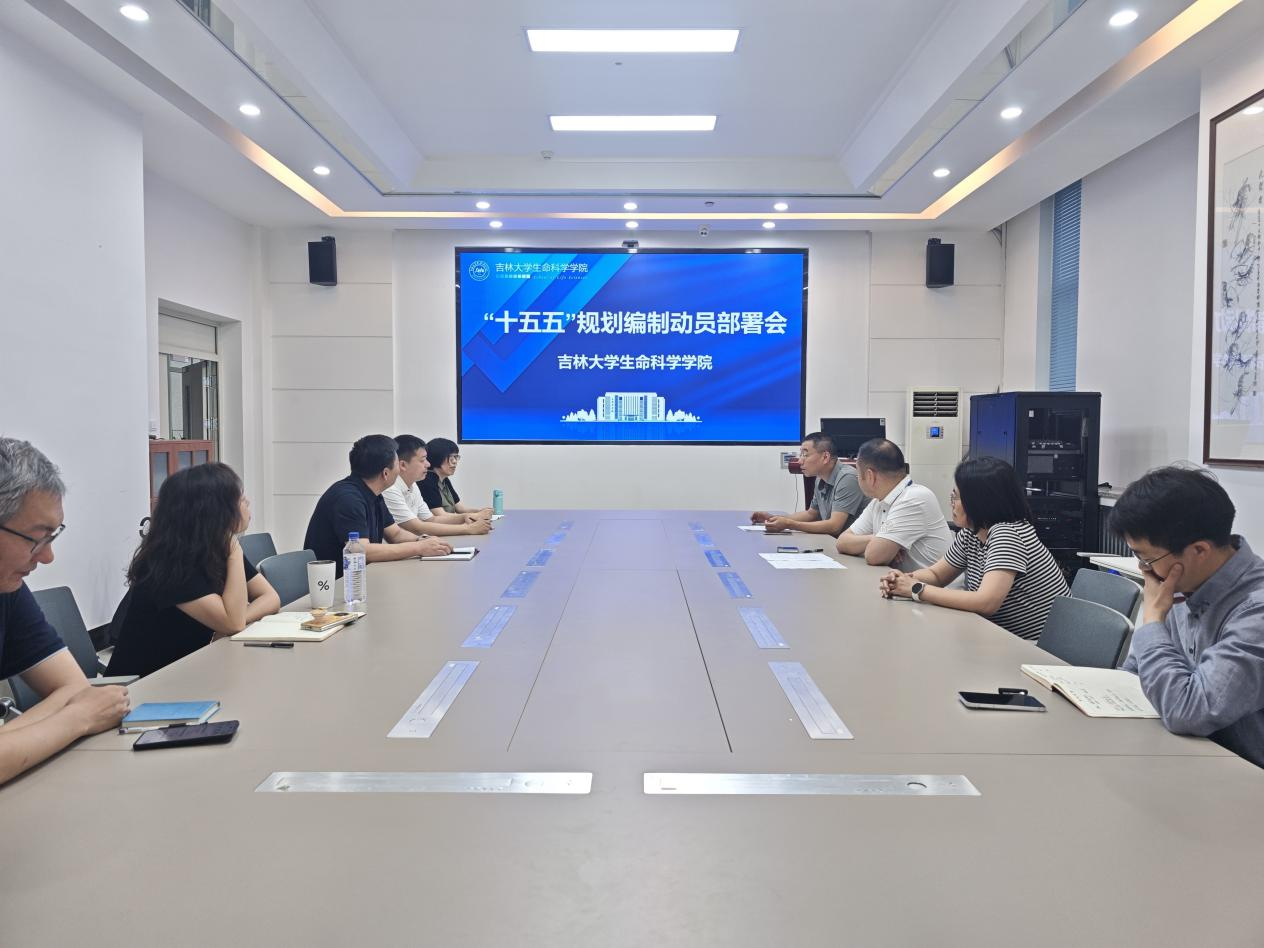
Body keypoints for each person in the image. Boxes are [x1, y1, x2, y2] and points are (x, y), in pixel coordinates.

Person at [1111, 465, 1264, 768]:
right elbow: (1134, 676)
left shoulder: (1255, 611)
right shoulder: (1184, 583)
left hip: (1243, 777)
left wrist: (1152, 620)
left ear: (1199, 550)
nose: (1143, 569)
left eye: (1147, 558)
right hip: (1183, 757)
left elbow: (1188, 712)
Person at [0, 438, 129, 784]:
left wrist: (8, 744)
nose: (47, 557)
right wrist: (76, 720)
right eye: (37, 538)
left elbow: (74, 688)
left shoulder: (7, 590)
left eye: (52, 537)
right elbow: (81, 707)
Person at [107, 462, 281, 678]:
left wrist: (233, 621)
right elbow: (233, 622)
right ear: (215, 511)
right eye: (239, 498)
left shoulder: (215, 546)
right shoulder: (170, 564)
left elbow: (270, 597)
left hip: (188, 670)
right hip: (144, 685)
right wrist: (235, 550)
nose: (247, 502)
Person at [878, 456, 1068, 641]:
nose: (951, 504)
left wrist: (916, 589)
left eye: (956, 497)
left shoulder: (1008, 534)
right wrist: (903, 580)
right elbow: (937, 575)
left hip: (1035, 647)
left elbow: (986, 602)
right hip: (999, 638)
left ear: (980, 501)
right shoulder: (972, 533)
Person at [305, 435, 452, 574]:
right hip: (339, 584)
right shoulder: (348, 498)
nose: (400, 470)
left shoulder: (373, 493)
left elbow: (396, 534)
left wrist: (424, 541)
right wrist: (418, 547)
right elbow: (362, 550)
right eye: (397, 464)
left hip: (360, 577)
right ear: (385, 473)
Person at [836, 438, 951, 570]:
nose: (857, 479)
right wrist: (876, 539)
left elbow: (874, 556)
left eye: (858, 474)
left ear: (870, 476)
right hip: (903, 580)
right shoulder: (878, 502)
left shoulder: (914, 498)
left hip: (930, 583)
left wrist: (878, 544)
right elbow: (842, 542)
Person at [751, 432, 867, 537]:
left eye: (805, 455)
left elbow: (834, 527)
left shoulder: (847, 478)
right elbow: (811, 514)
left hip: (855, 549)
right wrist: (772, 518)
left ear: (825, 457)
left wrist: (789, 524)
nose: (800, 461)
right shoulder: (820, 478)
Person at [382, 435, 490, 538]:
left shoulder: (413, 484)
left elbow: (431, 519)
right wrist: (467, 529)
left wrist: (465, 517)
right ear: (403, 465)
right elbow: (417, 527)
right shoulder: (390, 489)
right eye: (422, 460)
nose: (428, 464)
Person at [419, 438, 492, 519]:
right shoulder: (426, 480)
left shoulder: (444, 479)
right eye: (451, 457)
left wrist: (480, 511)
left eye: (456, 457)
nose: (454, 461)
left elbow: (460, 508)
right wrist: (476, 515)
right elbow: (440, 515)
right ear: (437, 458)